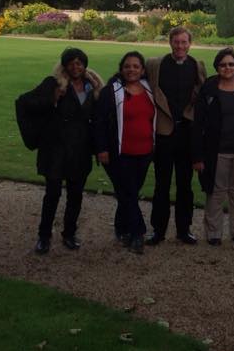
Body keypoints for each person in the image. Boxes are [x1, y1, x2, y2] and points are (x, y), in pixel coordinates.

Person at [28, 47, 104, 254]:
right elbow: (28, 103)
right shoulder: (53, 84)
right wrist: (52, 99)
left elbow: (98, 120)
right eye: (71, 62)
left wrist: (99, 148)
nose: (75, 66)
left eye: (79, 63)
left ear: (84, 65)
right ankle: (44, 236)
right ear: (65, 65)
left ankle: (69, 234)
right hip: (55, 149)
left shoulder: (92, 87)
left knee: (75, 195)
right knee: (52, 194)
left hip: (79, 149)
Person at [145, 26, 207, 245]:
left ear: (190, 43)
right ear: (170, 42)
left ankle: (184, 229)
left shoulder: (197, 66)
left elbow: (204, 94)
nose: (180, 46)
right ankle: (158, 230)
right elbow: (131, 75)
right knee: (161, 184)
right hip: (164, 133)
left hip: (186, 134)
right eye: (176, 42)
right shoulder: (155, 65)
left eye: (184, 42)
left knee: (185, 185)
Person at [191, 48, 234, 245]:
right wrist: (197, 156)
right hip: (216, 150)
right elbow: (198, 123)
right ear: (217, 67)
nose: (227, 68)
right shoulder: (209, 89)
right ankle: (213, 233)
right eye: (223, 64)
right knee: (216, 191)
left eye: (231, 64)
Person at [94, 51, 156, 254]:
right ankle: (138, 232)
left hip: (145, 151)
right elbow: (99, 121)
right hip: (119, 153)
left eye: (136, 66)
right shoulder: (111, 91)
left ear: (142, 70)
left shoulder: (149, 89)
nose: (131, 70)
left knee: (127, 193)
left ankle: (121, 228)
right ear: (121, 68)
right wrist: (101, 148)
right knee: (129, 193)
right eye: (127, 66)